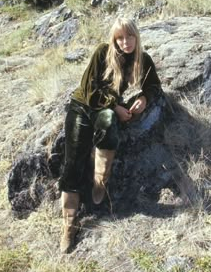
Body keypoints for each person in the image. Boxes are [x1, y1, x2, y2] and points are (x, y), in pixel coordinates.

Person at [59, 17, 163, 253]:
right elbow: (88, 90)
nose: (125, 42)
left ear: (136, 37)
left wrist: (143, 99)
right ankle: (69, 224)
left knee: (108, 124)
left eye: (129, 36)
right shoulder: (102, 53)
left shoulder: (142, 59)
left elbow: (154, 85)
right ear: (114, 39)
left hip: (105, 110)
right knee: (73, 162)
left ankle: (100, 182)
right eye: (120, 38)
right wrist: (115, 105)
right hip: (82, 106)